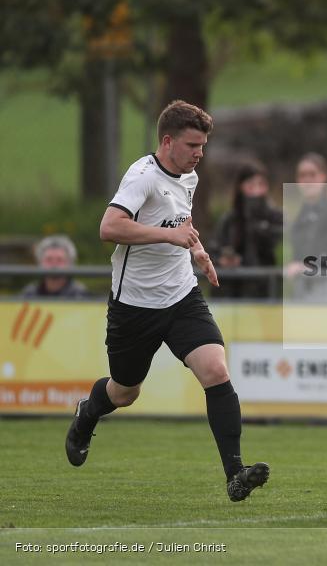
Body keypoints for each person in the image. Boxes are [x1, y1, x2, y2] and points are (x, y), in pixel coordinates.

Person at [64, 100, 269, 502]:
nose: (200, 153)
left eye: (204, 146)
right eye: (193, 145)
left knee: (215, 370)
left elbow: (180, 224)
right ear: (168, 141)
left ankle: (235, 473)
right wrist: (170, 237)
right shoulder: (142, 176)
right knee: (125, 392)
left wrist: (197, 252)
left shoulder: (188, 175)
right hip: (134, 305)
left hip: (180, 295)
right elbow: (110, 227)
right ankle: (87, 414)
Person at [285, 153, 327, 302]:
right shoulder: (300, 213)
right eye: (302, 175)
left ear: (323, 177)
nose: (307, 180)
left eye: (312, 174)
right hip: (302, 288)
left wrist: (309, 266)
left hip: (326, 288)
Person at [211, 163, 283, 298]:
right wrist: (223, 260)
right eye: (251, 185)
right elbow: (213, 251)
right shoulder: (229, 220)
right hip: (231, 292)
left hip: (265, 292)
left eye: (260, 184)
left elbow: (277, 248)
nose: (256, 191)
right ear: (240, 187)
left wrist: (256, 221)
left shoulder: (276, 217)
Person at [21, 235, 89, 298]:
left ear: (70, 263)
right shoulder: (30, 294)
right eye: (49, 259)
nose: (54, 264)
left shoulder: (79, 295)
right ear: (40, 262)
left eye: (59, 260)